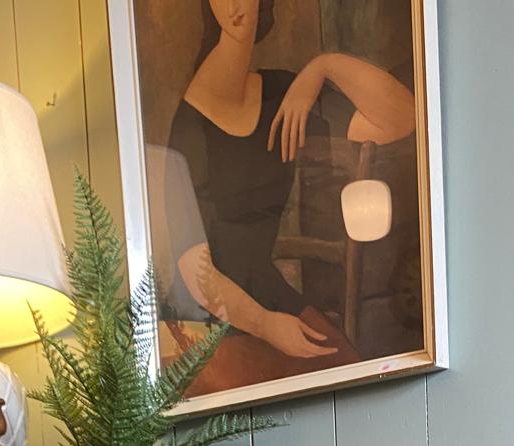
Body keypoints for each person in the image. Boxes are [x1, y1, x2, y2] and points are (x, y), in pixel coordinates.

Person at [166, 0, 415, 368]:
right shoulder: (189, 130)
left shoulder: (281, 94)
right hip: (205, 322)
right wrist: (265, 325)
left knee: (345, 370)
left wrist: (322, 66)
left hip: (272, 298)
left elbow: (402, 118)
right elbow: (193, 270)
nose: (235, 6)